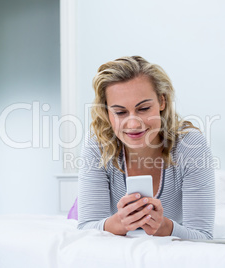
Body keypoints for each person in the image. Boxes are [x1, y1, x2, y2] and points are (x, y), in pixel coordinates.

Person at [77, 56, 215, 239]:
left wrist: (163, 226)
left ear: (162, 102)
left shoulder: (191, 144)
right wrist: (119, 223)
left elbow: (203, 236)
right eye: (120, 112)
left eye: (143, 109)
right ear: (107, 113)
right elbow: (86, 228)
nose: (133, 124)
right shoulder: (97, 143)